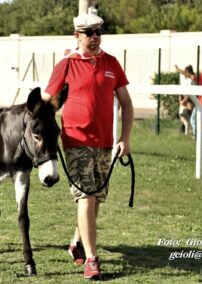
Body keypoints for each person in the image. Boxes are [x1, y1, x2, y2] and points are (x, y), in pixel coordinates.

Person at [43, 12, 134, 280]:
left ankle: (76, 243)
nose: (94, 37)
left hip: (106, 144)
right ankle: (91, 260)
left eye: (98, 32)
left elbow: (126, 104)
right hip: (75, 142)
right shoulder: (65, 66)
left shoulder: (112, 64)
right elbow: (48, 103)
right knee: (86, 196)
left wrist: (125, 139)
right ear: (77, 36)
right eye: (88, 33)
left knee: (96, 200)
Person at [175, 64, 195, 135]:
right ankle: (186, 129)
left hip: (190, 98)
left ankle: (192, 131)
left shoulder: (192, 79)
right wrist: (180, 96)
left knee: (190, 115)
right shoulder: (182, 77)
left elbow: (190, 91)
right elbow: (181, 86)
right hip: (183, 97)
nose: (184, 73)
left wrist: (186, 99)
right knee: (182, 115)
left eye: (186, 72)